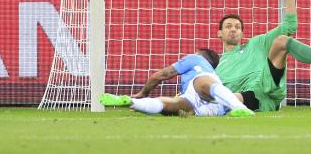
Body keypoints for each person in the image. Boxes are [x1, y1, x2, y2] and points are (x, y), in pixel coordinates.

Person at [100, 48, 254, 117]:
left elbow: (161, 75)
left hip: (197, 92)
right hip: (212, 106)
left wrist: (143, 93)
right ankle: (239, 108)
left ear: (200, 56)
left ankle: (133, 101)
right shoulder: (215, 76)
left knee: (200, 85)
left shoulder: (196, 60)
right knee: (172, 105)